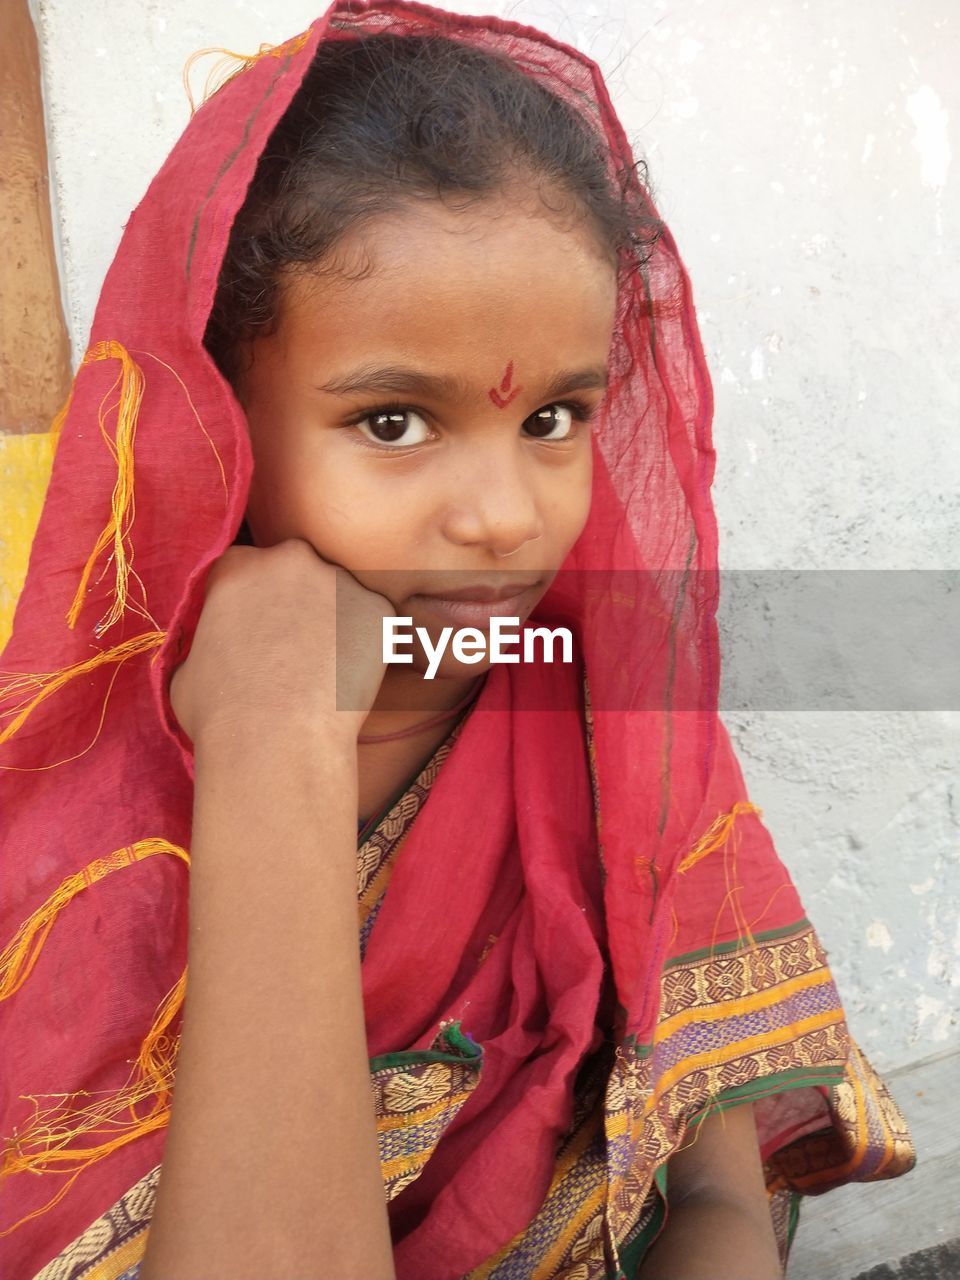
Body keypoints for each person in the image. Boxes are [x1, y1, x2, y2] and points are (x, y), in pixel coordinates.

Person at [0, 3, 916, 1278]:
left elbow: (715, 1186)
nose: (501, 517)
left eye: (555, 414)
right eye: (391, 422)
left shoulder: (600, 713)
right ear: (217, 416)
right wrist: (277, 737)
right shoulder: (84, 784)